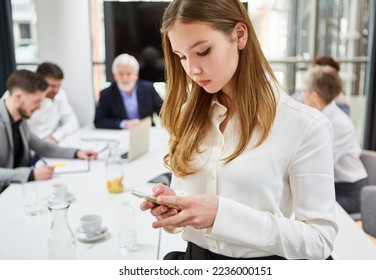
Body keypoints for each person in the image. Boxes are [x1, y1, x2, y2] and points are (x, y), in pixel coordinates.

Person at [140, 0, 337, 260]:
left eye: (203, 51)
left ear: (239, 36)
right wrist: (177, 206)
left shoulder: (304, 125)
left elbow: (319, 241)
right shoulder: (189, 114)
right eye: (182, 57)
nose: (192, 69)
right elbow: (190, 195)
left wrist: (221, 215)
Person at [0, 70, 97, 193]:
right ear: (18, 97)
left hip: (19, 188)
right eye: (36, 101)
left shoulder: (20, 120)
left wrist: (76, 153)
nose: (39, 106)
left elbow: (42, 147)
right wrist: (30, 174)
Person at [303, 65, 368, 214]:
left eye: (304, 90)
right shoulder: (318, 117)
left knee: (312, 210)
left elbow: (320, 164)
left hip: (351, 192)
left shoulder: (339, 124)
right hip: (334, 186)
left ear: (315, 96)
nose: (302, 95)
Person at [94, 54, 163, 129]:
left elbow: (163, 111)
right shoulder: (106, 93)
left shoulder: (148, 89)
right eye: (121, 74)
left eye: (129, 74)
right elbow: (99, 121)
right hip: (120, 134)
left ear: (136, 75)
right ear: (114, 75)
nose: (125, 78)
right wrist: (124, 124)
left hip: (146, 132)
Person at [27, 62, 79, 144]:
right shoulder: (25, 97)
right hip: (31, 147)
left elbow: (72, 122)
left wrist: (56, 137)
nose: (56, 90)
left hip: (50, 145)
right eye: (52, 86)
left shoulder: (60, 95)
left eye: (58, 86)